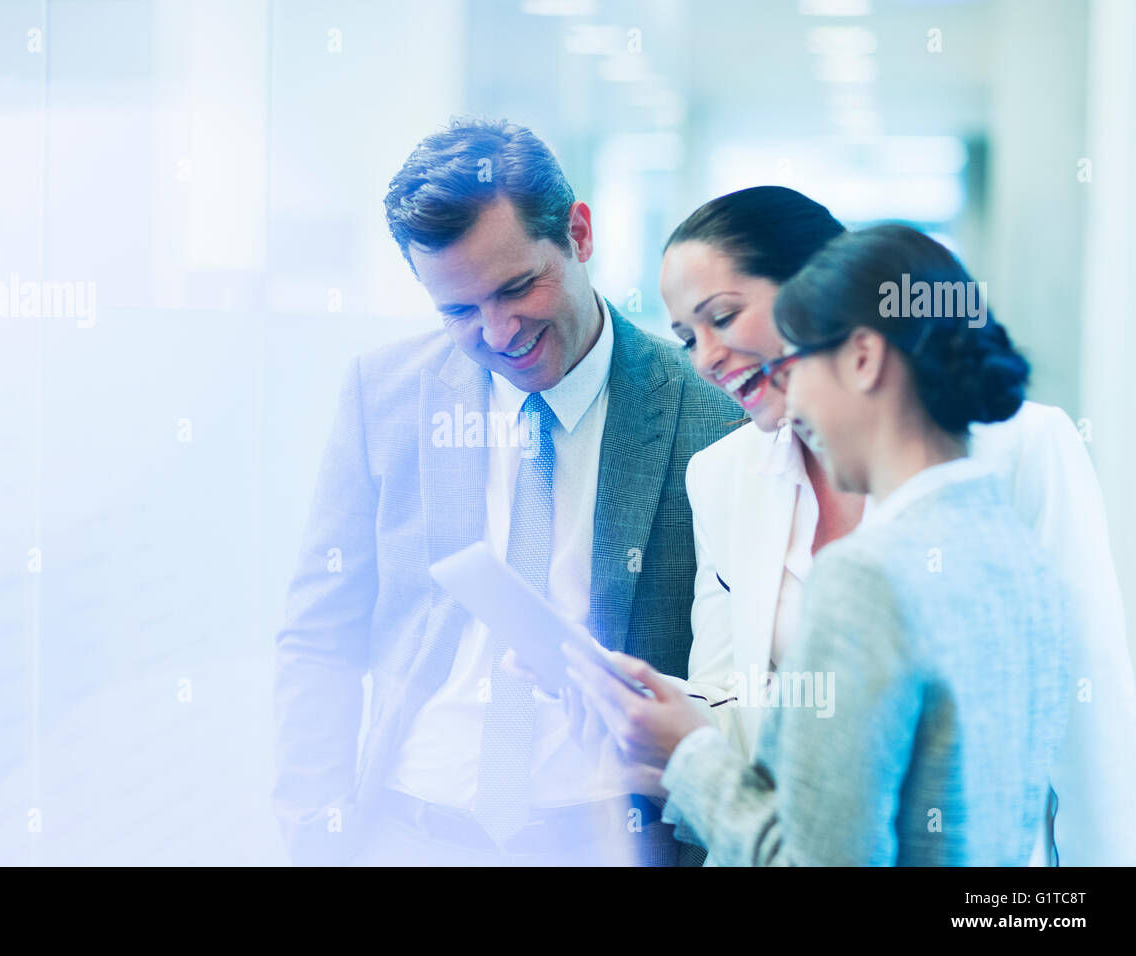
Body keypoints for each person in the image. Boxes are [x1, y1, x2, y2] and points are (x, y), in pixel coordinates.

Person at [272, 118, 740, 866]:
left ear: (580, 234)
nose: (499, 332)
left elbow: (739, 680)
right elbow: (320, 635)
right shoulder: (383, 396)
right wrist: (313, 831)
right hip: (407, 831)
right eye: (459, 311)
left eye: (518, 286)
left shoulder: (712, 415)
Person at [566, 224, 1073, 865]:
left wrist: (686, 758)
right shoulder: (1009, 547)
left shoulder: (865, 576)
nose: (793, 402)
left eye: (796, 364)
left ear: (863, 359)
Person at [660, 187, 1136, 865]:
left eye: (724, 317)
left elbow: (1089, 714)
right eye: (685, 338)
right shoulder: (720, 475)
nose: (705, 356)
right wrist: (666, 726)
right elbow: (741, 707)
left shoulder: (1021, 449)